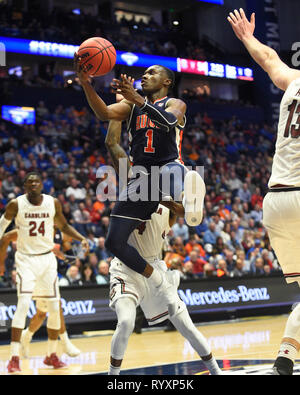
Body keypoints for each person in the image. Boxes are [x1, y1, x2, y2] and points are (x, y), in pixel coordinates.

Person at [74, 57, 206, 318]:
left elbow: (169, 121)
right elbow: (103, 113)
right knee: (113, 241)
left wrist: (138, 100)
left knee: (170, 173)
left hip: (170, 167)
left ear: (167, 81)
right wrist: (86, 84)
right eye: (143, 73)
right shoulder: (131, 106)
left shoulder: (174, 102)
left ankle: (190, 199)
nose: (144, 76)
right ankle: (160, 279)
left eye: (151, 72)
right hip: (142, 178)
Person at [105, 120, 222, 376]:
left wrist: (182, 204)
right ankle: (113, 378)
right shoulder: (132, 189)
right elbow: (113, 147)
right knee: (125, 322)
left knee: (186, 325)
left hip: (156, 267)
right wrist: (115, 117)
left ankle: (216, 371)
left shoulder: (169, 206)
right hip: (128, 268)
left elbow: (183, 212)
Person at [228, 7, 300, 376]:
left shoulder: (295, 82)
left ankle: (285, 358)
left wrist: (245, 37)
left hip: (275, 200)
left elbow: (269, 58)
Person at [0, 172, 89, 372]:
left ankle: (52, 355)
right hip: (26, 261)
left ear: (42, 184)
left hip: (47, 260)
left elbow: (64, 225)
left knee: (54, 307)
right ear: (24, 186)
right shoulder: (16, 204)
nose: (33, 184)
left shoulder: (53, 203)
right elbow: (2, 228)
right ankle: (14, 357)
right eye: (29, 181)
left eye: (36, 181)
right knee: (23, 304)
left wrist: (80, 238)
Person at [0, 229, 81, 359]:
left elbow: (72, 260)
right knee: (56, 305)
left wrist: (61, 254)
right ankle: (65, 343)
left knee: (41, 314)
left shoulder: (62, 234)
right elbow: (7, 237)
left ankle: (26, 336)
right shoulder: (35, 228)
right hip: (31, 271)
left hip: (48, 273)